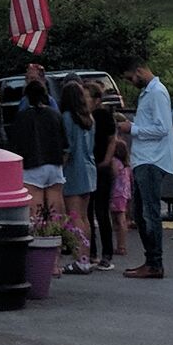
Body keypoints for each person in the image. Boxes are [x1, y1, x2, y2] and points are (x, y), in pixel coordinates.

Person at [120, 56, 172, 280]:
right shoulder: (148, 93)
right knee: (141, 213)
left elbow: (162, 128)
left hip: (153, 160)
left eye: (131, 77)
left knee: (149, 213)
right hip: (144, 159)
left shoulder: (157, 93)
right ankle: (150, 260)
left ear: (139, 71)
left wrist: (132, 129)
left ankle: (155, 262)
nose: (131, 82)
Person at [9, 74, 67, 223]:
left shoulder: (22, 117)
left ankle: (39, 241)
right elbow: (64, 142)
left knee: (35, 213)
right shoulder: (55, 114)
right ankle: (59, 237)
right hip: (55, 165)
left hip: (32, 166)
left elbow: (15, 144)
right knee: (56, 211)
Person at [57, 79, 98, 274]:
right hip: (89, 169)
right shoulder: (89, 118)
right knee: (84, 216)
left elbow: (68, 148)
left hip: (73, 170)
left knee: (73, 217)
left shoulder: (67, 117)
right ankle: (86, 255)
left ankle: (79, 258)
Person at [90, 80, 121, 269]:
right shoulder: (85, 116)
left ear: (96, 99)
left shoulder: (103, 116)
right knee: (88, 210)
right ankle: (91, 251)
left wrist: (107, 161)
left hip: (101, 165)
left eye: (86, 96)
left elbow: (112, 140)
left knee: (102, 211)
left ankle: (106, 252)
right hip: (90, 164)